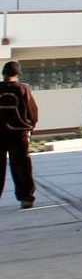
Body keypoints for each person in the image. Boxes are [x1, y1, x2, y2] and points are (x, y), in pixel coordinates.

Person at [0, 61, 39, 210]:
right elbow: (32, 112)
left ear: (3, 74)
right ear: (18, 74)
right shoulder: (23, 89)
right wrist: (31, 126)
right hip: (19, 134)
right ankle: (26, 197)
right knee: (22, 165)